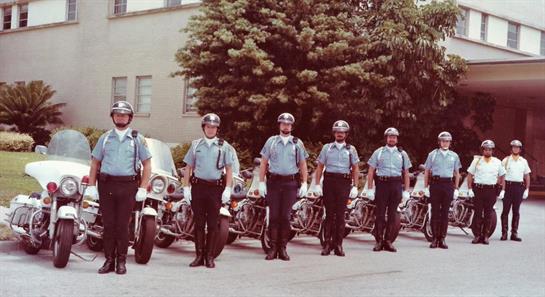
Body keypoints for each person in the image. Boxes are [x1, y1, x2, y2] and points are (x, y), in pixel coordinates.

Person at [87, 101, 152, 275]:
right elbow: (95, 163)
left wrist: (143, 188)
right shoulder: (106, 137)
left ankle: (121, 261)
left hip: (128, 185)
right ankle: (109, 260)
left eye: (124, 115)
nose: (120, 117)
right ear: (113, 117)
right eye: (117, 114)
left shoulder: (138, 138)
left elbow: (147, 165)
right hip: (107, 184)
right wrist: (91, 185)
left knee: (123, 225)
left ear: (129, 118)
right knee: (108, 224)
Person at [183, 113, 235, 268]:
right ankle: (199, 256)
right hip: (198, 187)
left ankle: (210, 257)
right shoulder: (196, 145)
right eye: (208, 127)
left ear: (217, 129)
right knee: (199, 223)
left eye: (214, 127)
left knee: (213, 223)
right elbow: (188, 167)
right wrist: (186, 187)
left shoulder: (224, 146)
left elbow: (229, 169)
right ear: (203, 128)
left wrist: (227, 188)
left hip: (215, 189)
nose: (211, 130)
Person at [259, 112, 309, 261]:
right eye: (283, 123)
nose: (286, 126)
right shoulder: (271, 142)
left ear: (291, 126)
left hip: (290, 183)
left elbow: (303, 164)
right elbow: (263, 162)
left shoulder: (297, 143)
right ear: (279, 125)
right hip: (274, 182)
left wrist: (305, 182)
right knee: (274, 216)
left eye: (288, 124)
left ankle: (283, 248)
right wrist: (261, 182)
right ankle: (273, 248)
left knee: (285, 217)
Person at [314, 120, 360, 256]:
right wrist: (317, 184)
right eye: (337, 132)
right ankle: (327, 244)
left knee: (340, 215)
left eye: (342, 132)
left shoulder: (351, 150)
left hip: (344, 183)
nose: (340, 134)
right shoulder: (327, 148)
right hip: (329, 181)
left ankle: (338, 245)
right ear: (334, 133)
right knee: (329, 214)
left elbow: (355, 168)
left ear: (346, 134)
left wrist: (355, 186)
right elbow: (320, 167)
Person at [366, 127, 412, 252]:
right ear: (386, 138)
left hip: (396, 184)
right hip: (382, 184)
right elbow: (371, 171)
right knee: (380, 213)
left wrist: (407, 190)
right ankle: (379, 240)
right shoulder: (379, 152)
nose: (392, 139)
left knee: (393, 214)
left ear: (397, 139)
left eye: (394, 137)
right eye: (390, 136)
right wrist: (370, 188)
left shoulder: (402, 154)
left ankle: (388, 240)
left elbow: (406, 173)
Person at [423, 131, 461, 249]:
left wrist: (456, 188)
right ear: (439, 142)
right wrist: (426, 187)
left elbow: (457, 173)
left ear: (450, 143)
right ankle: (434, 239)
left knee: (445, 213)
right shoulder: (432, 155)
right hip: (435, 184)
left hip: (448, 184)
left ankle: (442, 239)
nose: (445, 143)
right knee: (435, 212)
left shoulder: (454, 156)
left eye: (447, 141)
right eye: (443, 141)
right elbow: (426, 171)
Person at [466, 140, 506, 245]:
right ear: (483, 150)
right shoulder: (477, 161)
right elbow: (470, 175)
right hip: (479, 189)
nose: (487, 151)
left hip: (491, 190)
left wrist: (502, 189)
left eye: (490, 149)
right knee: (478, 213)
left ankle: (486, 236)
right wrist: (470, 188)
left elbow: (503, 175)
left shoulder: (497, 162)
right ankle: (477, 235)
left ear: (492, 151)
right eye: (485, 149)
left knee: (489, 213)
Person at [499, 140, 531, 242]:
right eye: (514, 147)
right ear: (511, 148)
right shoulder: (506, 160)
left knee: (516, 211)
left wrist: (527, 189)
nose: (515, 149)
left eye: (517, 147)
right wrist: (502, 189)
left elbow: (527, 176)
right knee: (505, 211)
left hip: (519, 188)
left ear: (520, 149)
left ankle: (514, 233)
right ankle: (504, 233)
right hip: (508, 187)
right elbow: (501, 175)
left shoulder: (523, 161)